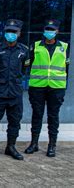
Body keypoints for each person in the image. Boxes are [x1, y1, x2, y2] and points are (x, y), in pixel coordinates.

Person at [25, 19, 69, 158]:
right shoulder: (36, 46)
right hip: (37, 86)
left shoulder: (64, 47)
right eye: (47, 29)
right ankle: (34, 143)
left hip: (56, 87)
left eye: (52, 30)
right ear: (44, 31)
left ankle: (52, 145)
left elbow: (66, 66)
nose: (49, 32)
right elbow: (27, 64)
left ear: (57, 31)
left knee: (53, 116)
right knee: (37, 115)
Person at [0, 19, 28, 161]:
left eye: (14, 31)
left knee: (15, 121)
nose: (11, 34)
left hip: (15, 92)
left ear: (19, 33)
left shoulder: (24, 50)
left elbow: (24, 69)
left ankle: (11, 146)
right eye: (8, 31)